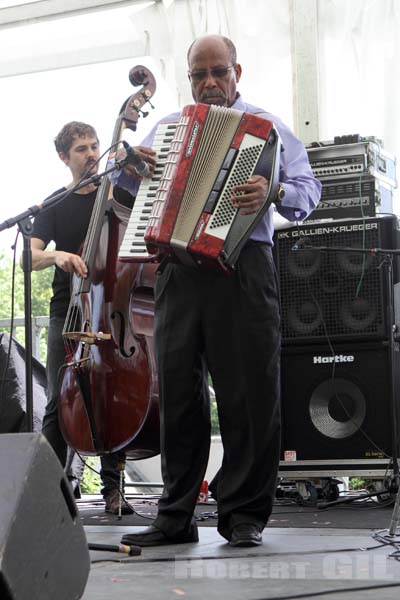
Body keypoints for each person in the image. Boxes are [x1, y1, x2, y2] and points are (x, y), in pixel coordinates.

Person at [116, 34, 321, 547]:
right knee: (179, 396)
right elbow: (133, 197)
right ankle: (175, 516)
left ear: (237, 72)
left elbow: (309, 190)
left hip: (244, 267)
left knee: (248, 395)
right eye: (199, 74)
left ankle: (244, 515)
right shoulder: (168, 130)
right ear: (189, 78)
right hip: (177, 269)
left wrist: (272, 191)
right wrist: (132, 171)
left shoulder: (268, 128)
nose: (209, 83)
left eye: (219, 72)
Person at [28, 121, 134, 515]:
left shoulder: (120, 193)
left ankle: (113, 490)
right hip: (68, 310)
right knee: (60, 398)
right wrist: (57, 256)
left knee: (112, 393)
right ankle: (52, 492)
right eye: (81, 149)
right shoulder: (55, 203)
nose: (91, 154)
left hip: (112, 305)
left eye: (94, 146)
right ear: (64, 158)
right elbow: (29, 256)